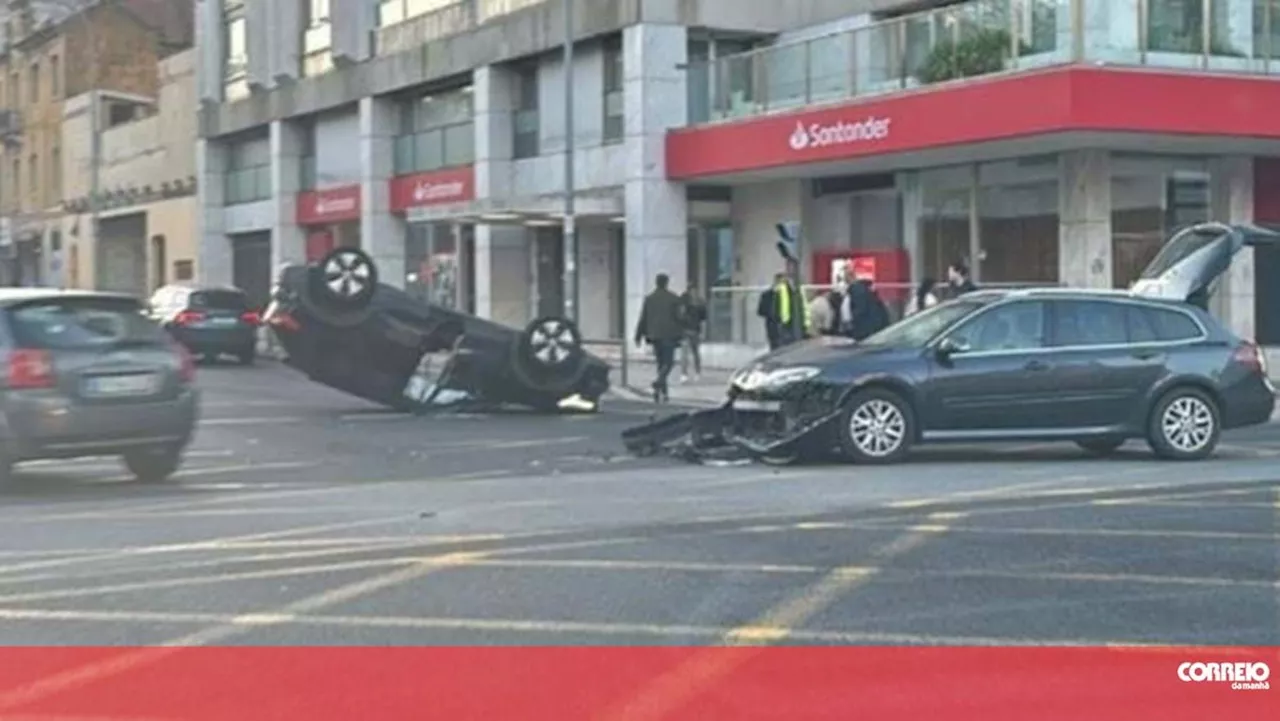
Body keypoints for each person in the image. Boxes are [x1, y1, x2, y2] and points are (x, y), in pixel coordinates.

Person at [634, 273, 684, 403]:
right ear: (666, 283)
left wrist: (638, 335)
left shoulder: (650, 299)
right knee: (668, 363)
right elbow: (679, 317)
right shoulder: (673, 298)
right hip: (669, 334)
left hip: (654, 335)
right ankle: (659, 382)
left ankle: (661, 391)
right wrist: (683, 330)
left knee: (660, 363)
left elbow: (643, 318)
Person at [760, 272, 807, 348]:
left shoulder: (791, 295)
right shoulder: (767, 294)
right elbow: (761, 311)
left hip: (787, 328)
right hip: (773, 328)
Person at [678, 284, 706, 383]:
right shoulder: (696, 301)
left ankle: (692, 373)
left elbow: (703, 318)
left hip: (691, 330)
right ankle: (687, 373)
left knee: (693, 352)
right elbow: (703, 318)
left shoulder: (688, 300)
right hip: (688, 330)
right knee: (688, 353)